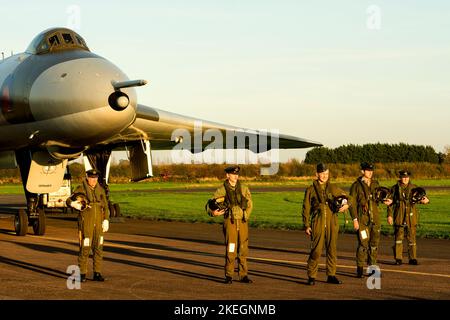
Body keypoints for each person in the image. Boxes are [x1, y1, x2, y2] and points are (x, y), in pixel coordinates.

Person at [302, 163, 349, 285]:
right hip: (317, 221)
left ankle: (331, 275)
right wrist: (306, 225)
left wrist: (346, 205)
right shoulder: (310, 190)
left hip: (332, 221)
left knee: (332, 249)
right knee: (316, 250)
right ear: (317, 174)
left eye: (326, 174)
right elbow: (306, 208)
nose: (324, 176)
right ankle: (311, 276)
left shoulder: (333, 188)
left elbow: (349, 197)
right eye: (322, 173)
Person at [209, 165, 253, 284]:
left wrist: (245, 216)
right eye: (233, 174)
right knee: (231, 248)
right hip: (230, 222)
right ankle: (229, 275)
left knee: (243, 249)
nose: (236, 176)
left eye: (237, 174)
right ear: (227, 175)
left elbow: (250, 204)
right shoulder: (221, 190)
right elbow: (210, 203)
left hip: (242, 222)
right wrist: (213, 212)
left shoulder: (244, 188)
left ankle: (243, 275)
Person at [349, 162, 392, 278]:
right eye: (368, 170)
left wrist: (386, 201)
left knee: (374, 244)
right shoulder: (356, 186)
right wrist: (354, 219)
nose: (370, 172)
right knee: (363, 244)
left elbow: (379, 198)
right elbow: (351, 204)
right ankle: (359, 268)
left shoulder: (375, 184)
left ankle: (373, 268)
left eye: (371, 170)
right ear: (362, 171)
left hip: (375, 219)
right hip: (362, 219)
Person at [67, 169, 110, 282]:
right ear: (87, 178)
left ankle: (97, 273)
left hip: (99, 224)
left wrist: (106, 220)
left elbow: (105, 206)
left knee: (98, 248)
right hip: (86, 223)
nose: (93, 180)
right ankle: (82, 274)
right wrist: (73, 204)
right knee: (85, 249)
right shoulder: (81, 189)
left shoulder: (100, 190)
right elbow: (68, 200)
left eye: (95, 178)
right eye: (91, 178)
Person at [387, 170, 429, 265]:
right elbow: (389, 203)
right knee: (398, 238)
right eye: (403, 177)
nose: (405, 179)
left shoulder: (414, 188)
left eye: (407, 177)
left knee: (411, 238)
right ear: (400, 177)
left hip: (411, 216)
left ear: (409, 178)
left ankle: (412, 258)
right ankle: (398, 258)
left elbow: (420, 198)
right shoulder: (394, 188)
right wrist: (389, 215)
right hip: (399, 215)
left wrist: (425, 200)